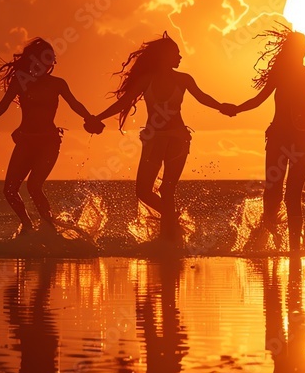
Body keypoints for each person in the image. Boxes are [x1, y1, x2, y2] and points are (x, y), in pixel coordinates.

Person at [221, 26, 305, 252]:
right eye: (295, 48)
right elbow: (259, 100)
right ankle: (274, 237)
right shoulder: (279, 75)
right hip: (279, 138)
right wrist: (237, 109)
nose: (299, 51)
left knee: (293, 194)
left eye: (301, 48)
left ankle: (294, 247)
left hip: (304, 140)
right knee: (273, 189)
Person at [93, 32, 225, 241]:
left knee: (162, 190)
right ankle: (172, 227)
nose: (180, 57)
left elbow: (202, 97)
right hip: (161, 139)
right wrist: (97, 118)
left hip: (174, 140)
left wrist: (222, 107)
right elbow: (124, 103)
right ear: (164, 56)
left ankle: (169, 238)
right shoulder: (151, 80)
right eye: (176, 53)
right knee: (148, 190)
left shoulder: (182, 79)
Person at [0, 38, 96, 235]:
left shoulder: (57, 84)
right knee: (9, 190)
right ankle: (27, 226)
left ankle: (50, 230)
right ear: (33, 59)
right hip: (25, 141)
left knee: (34, 186)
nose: (48, 63)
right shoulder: (20, 82)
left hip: (49, 142)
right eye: (44, 57)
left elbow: (75, 104)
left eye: (51, 58)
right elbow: (3, 105)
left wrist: (91, 119)